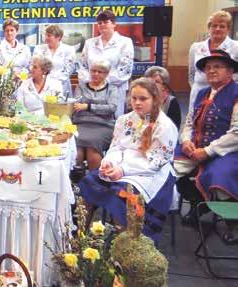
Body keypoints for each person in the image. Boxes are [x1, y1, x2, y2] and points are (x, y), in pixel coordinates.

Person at [79, 77, 178, 242]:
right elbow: (116, 147)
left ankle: (123, 246)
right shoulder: (124, 120)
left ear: (155, 99)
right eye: (134, 98)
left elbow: (157, 162)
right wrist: (108, 163)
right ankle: (79, 238)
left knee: (121, 196)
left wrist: (122, 170)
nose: (137, 103)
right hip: (120, 166)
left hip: (151, 173)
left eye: (143, 98)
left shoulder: (165, 126)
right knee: (89, 183)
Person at [174, 50, 238, 232]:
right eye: (208, 67)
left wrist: (208, 151)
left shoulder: (236, 93)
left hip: (228, 152)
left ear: (230, 70)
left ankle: (232, 223)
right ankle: (198, 205)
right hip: (196, 147)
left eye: (217, 67)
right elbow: (189, 122)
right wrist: (186, 141)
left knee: (220, 176)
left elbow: (236, 133)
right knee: (167, 166)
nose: (211, 71)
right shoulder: (202, 93)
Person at [79, 9, 134, 118]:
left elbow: (124, 70)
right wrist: (92, 81)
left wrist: (103, 82)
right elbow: (83, 66)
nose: (102, 25)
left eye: (106, 22)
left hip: (114, 89)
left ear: (114, 24)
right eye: (99, 23)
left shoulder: (125, 42)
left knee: (113, 121)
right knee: (90, 118)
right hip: (91, 88)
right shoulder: (89, 43)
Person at [188, 10, 238, 113]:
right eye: (214, 26)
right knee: (194, 123)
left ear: (228, 29)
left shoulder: (236, 47)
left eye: (222, 26)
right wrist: (199, 90)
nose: (217, 29)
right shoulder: (196, 47)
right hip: (198, 95)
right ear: (209, 28)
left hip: (228, 96)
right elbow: (191, 74)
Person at [73, 60, 118, 171]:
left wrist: (88, 107)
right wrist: (98, 108)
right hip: (81, 123)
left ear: (106, 74)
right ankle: (75, 182)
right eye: (93, 71)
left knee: (92, 150)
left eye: (100, 72)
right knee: (75, 149)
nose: (96, 74)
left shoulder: (112, 89)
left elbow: (111, 108)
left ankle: (94, 183)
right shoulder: (81, 87)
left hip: (103, 125)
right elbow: (76, 105)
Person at [33, 24, 76, 97]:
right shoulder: (38, 49)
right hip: (42, 85)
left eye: (49, 35)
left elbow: (68, 70)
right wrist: (45, 80)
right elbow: (37, 67)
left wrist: (53, 81)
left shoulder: (69, 50)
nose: (46, 38)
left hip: (62, 85)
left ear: (58, 37)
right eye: (46, 35)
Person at [144, 66, 182, 130]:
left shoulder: (171, 102)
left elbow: (174, 128)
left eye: (157, 81)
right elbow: (144, 122)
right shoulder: (143, 99)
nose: (153, 84)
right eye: (150, 81)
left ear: (164, 86)